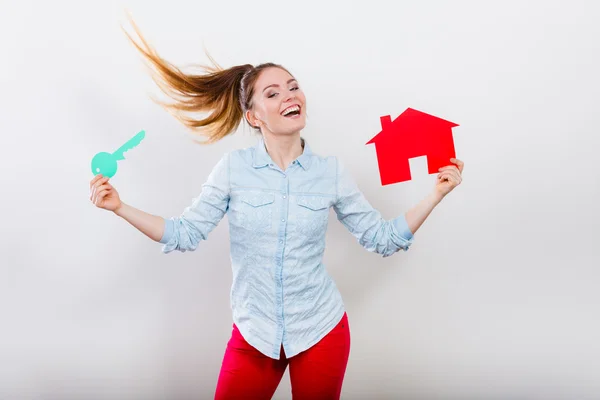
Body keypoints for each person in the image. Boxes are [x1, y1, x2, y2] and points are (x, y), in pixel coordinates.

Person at [89, 18, 464, 400]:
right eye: (273, 93)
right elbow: (184, 233)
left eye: (294, 87)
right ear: (254, 117)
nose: (290, 96)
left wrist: (436, 194)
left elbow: (382, 239)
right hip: (255, 335)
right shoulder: (233, 169)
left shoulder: (329, 173)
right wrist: (120, 207)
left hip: (320, 329)